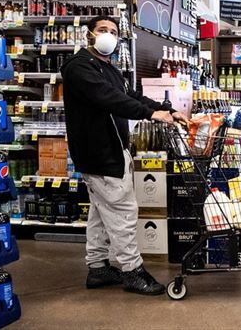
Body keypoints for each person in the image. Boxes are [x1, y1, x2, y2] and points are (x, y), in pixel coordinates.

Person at [61, 16, 189, 296]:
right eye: (102, 30)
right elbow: (109, 98)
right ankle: (132, 271)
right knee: (123, 213)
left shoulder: (108, 68)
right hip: (99, 153)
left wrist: (165, 110)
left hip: (113, 150)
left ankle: (98, 267)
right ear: (89, 35)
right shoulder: (79, 67)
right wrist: (150, 114)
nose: (108, 36)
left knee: (100, 212)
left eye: (113, 32)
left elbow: (129, 95)